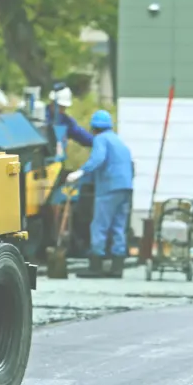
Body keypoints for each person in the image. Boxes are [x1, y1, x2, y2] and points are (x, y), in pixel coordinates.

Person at [65, 110, 133, 278]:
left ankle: (96, 265)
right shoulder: (117, 140)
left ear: (94, 127)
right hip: (126, 187)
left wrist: (79, 173)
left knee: (99, 225)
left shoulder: (101, 139)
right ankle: (117, 267)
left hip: (109, 187)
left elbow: (98, 159)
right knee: (118, 226)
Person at [45, 85, 94, 154]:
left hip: (55, 161)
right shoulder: (40, 116)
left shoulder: (65, 121)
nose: (62, 111)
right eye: (60, 107)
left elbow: (80, 134)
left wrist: (98, 141)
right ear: (52, 102)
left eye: (64, 107)